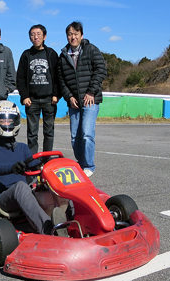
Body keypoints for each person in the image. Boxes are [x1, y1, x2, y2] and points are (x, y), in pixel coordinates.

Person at [0, 100, 67, 236]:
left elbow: (33, 165)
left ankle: (73, 219)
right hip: (3, 198)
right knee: (20, 186)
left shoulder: (22, 147)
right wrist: (11, 168)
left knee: (58, 180)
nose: (7, 124)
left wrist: (48, 163)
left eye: (10, 121)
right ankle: (48, 229)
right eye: (2, 121)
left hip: (27, 194)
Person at [59, 21, 107, 178]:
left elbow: (101, 70)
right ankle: (81, 163)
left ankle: (89, 166)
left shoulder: (91, 50)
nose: (73, 37)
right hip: (74, 102)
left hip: (90, 100)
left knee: (87, 134)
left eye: (75, 34)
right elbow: (61, 80)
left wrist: (91, 92)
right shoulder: (64, 55)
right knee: (75, 136)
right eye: (70, 34)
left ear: (81, 35)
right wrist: (69, 96)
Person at [16, 24, 61, 154]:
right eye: (32, 34)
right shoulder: (26, 55)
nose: (36, 37)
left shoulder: (51, 54)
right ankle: (33, 160)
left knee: (49, 132)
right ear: (30, 37)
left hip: (49, 100)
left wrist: (56, 94)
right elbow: (20, 77)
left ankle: (47, 159)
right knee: (32, 133)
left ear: (44, 36)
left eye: (38, 34)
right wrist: (24, 96)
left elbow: (58, 76)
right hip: (32, 100)